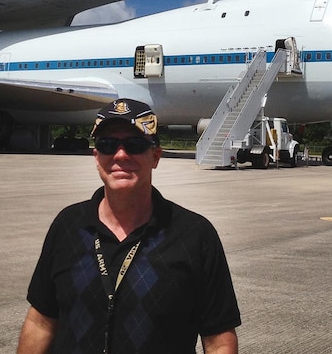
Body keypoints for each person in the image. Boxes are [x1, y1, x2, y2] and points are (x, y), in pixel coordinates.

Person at [17, 98, 241, 354]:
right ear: (96, 156)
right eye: (108, 145)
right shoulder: (67, 226)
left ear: (155, 156)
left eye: (134, 145)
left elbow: (219, 340)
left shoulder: (195, 236)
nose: (120, 154)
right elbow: (40, 322)